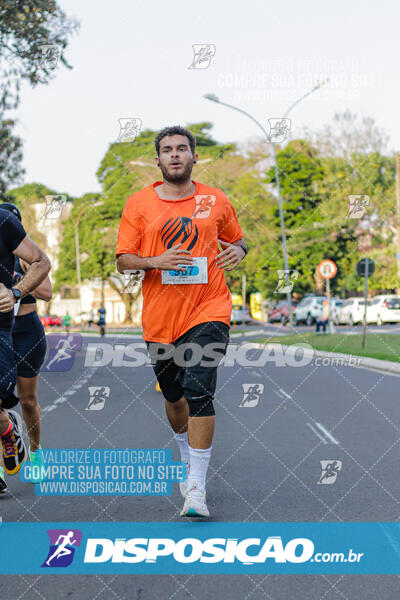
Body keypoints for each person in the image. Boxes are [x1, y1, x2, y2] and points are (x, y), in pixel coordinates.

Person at [116, 125, 247, 517]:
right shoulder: (139, 204)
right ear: (157, 161)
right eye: (168, 150)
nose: (175, 154)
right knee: (174, 397)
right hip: (160, 318)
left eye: (182, 149)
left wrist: (239, 251)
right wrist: (155, 261)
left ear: (194, 157)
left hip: (209, 309)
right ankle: (185, 455)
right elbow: (123, 260)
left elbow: (237, 240)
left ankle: (196, 488)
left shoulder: (215, 199)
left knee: (199, 388)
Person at [0, 203, 51, 491]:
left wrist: (17, 283)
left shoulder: (26, 258)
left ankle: (35, 452)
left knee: (28, 399)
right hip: (3, 331)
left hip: (27, 332)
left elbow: (47, 291)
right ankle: (1, 468)